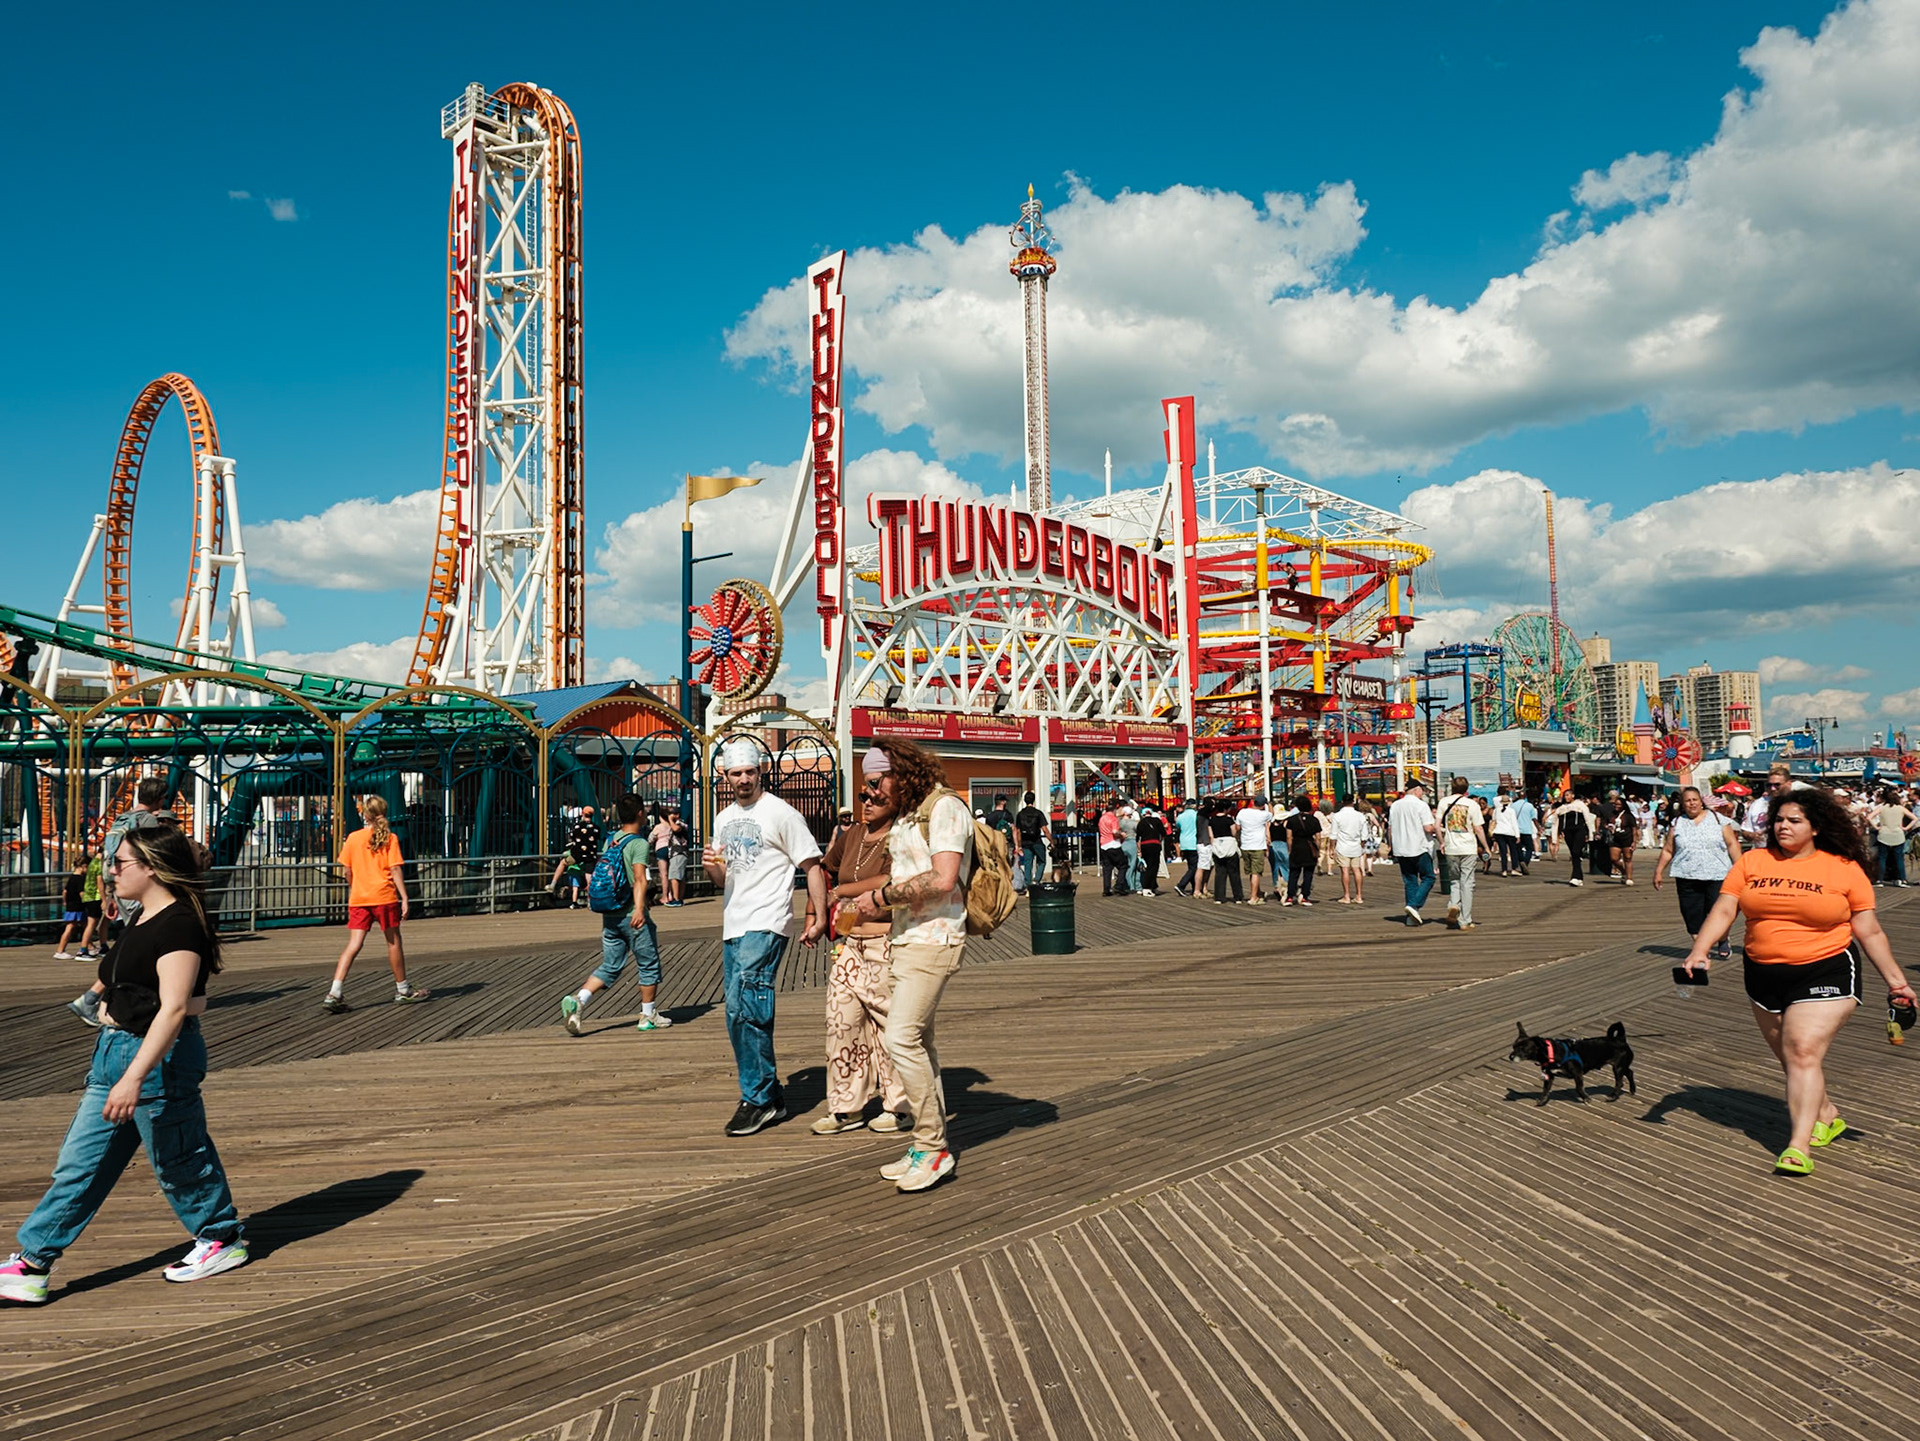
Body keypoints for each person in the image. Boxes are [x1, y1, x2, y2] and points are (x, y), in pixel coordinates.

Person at [1, 826, 247, 1305]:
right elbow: (129, 980)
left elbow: (176, 1008)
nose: (110, 871)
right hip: (115, 1053)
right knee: (80, 1165)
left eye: (120, 864)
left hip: (155, 1059)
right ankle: (32, 1264)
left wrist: (134, 1076)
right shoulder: (143, 917)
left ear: (151, 867)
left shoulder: (179, 924)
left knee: (179, 1158)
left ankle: (221, 1238)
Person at [1683, 787, 1916, 1176]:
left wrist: (1897, 983)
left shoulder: (1842, 868)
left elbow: (1869, 930)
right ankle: (1827, 1112)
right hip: (1762, 972)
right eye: (1778, 820)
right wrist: (1700, 950)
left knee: (1802, 1049)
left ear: (1816, 828)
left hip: (1827, 968)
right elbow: (1726, 906)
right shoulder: (1753, 862)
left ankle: (1797, 1145)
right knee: (1792, 1059)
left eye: (1794, 821)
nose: (1783, 827)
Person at [853, 738, 974, 1193]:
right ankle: (927, 1144)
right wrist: (865, 897)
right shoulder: (912, 812)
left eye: (875, 783)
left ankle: (933, 1147)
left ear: (899, 772)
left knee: (901, 1037)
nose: (870, 795)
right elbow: (905, 874)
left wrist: (882, 897)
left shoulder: (944, 808)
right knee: (919, 1041)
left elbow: (943, 879)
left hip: (934, 938)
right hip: (905, 937)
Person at [703, 740, 829, 1137]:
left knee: (749, 1003)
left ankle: (759, 1098)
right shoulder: (722, 818)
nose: (743, 780)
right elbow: (725, 880)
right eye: (736, 774)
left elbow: (811, 864)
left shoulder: (781, 813)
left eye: (749, 773)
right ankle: (767, 1093)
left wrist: (819, 914)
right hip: (734, 921)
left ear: (761, 773)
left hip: (768, 919)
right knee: (735, 1009)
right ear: (725, 777)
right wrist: (711, 868)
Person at [808, 780, 910, 1136]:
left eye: (874, 798)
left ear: (895, 800)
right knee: (842, 1023)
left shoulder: (901, 835)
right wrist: (816, 916)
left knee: (889, 1026)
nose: (866, 803)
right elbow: (823, 868)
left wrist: (841, 891)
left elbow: (893, 878)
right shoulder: (852, 835)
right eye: (863, 797)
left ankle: (900, 1105)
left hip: (887, 941)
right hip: (850, 942)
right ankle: (846, 1107)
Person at [559, 794, 670, 1035]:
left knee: (610, 965)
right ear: (641, 814)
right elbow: (639, 879)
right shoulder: (639, 843)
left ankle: (579, 1000)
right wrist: (640, 908)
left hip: (609, 914)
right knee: (649, 964)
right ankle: (647, 1015)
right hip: (632, 914)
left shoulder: (611, 840)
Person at [68, 779, 174, 1027]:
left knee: (132, 940)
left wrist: (111, 894)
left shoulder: (121, 819)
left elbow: (110, 859)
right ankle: (98, 998)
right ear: (159, 797)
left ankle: (102, 996)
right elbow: (153, 858)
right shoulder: (147, 822)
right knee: (138, 944)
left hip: (121, 887)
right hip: (143, 889)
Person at [324, 796, 428, 1012]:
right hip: (384, 896)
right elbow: (395, 869)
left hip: (359, 899)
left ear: (365, 815)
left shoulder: (353, 838)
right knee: (393, 942)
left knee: (354, 944)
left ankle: (334, 991)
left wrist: (356, 888)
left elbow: (347, 871)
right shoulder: (390, 838)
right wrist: (405, 897)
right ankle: (402, 989)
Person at [1654, 786, 1739, 959]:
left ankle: (1722, 939)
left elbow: (1732, 844)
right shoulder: (1677, 823)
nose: (1692, 803)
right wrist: (1658, 871)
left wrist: (1741, 868)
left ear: (1701, 802)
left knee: (1718, 912)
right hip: (1687, 875)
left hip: (1718, 874)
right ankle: (1701, 950)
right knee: (1692, 915)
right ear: (1683, 804)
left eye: (1695, 799)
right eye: (1688, 800)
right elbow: (1668, 850)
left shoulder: (1718, 819)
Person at [1436, 778, 1488, 929]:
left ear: (1452, 787)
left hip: (1451, 847)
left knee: (1454, 880)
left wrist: (1442, 842)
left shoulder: (1443, 802)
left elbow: (1436, 825)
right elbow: (1478, 828)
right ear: (1466, 789)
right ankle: (1465, 919)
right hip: (1468, 848)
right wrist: (1486, 846)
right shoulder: (1472, 804)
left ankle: (1453, 904)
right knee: (1467, 882)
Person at [1388, 780, 1438, 925]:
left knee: (1410, 881)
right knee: (1428, 877)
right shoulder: (1421, 805)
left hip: (1400, 848)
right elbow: (1428, 828)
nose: (1422, 792)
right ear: (1416, 790)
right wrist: (1438, 829)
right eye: (1421, 790)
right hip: (1418, 847)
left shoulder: (1395, 805)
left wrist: (1392, 846)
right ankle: (1414, 905)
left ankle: (1411, 918)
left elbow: (1390, 828)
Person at [551, 805, 601, 908]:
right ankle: (590, 901)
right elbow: (598, 838)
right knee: (589, 876)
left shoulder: (577, 826)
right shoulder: (596, 828)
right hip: (590, 854)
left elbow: (572, 837)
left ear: (582, 814)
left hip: (577, 853)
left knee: (563, 863)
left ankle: (553, 883)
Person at [1326, 797, 1370, 904]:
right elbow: (1365, 835)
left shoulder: (1337, 816)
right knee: (1357, 870)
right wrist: (1361, 845)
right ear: (1353, 802)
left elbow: (1333, 834)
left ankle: (1346, 896)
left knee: (1345, 870)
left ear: (1342, 802)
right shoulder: (1360, 816)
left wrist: (1331, 848)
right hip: (1356, 846)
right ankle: (1359, 896)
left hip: (1342, 846)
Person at [1872, 788, 1916, 886]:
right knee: (1899, 858)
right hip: (1898, 834)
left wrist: (1877, 827)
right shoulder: (1901, 808)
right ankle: (1902, 879)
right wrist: (1905, 828)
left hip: (1884, 834)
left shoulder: (1882, 808)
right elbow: (1915, 818)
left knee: (1882, 858)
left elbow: (1869, 817)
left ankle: (1880, 880)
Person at [1235, 794, 1275, 903]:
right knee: (1256, 872)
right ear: (1263, 805)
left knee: (1251, 872)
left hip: (1245, 845)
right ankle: (1253, 897)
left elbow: (1238, 827)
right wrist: (1270, 804)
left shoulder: (1242, 812)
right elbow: (1272, 814)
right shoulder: (1263, 815)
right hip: (1257, 845)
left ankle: (1257, 892)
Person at [1281, 796, 1320, 906]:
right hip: (1309, 847)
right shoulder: (1314, 820)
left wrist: (1290, 849)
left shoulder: (1292, 820)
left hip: (1296, 847)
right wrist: (1317, 850)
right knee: (1308, 873)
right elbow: (1318, 837)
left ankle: (1289, 897)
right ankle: (1305, 896)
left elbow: (1289, 837)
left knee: (1294, 873)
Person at [1551, 793, 1594, 886]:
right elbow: (1555, 822)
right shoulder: (1562, 808)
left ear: (1573, 796)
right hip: (1568, 832)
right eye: (1565, 796)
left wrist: (1590, 834)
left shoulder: (1580, 805)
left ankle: (1575, 876)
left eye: (1568, 795)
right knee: (1574, 855)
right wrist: (1555, 836)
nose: (1566, 797)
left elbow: (1588, 819)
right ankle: (1578, 877)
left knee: (1576, 851)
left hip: (1579, 830)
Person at [1209, 802, 1245, 904]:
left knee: (1220, 872)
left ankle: (1219, 897)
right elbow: (1234, 832)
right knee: (1234, 873)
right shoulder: (1229, 819)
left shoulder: (1212, 820)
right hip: (1229, 846)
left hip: (1217, 846)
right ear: (1226, 809)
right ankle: (1237, 897)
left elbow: (1211, 835)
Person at [53, 862, 88, 960]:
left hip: (71, 905)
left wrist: (65, 902)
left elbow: (65, 892)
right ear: (83, 866)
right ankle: (60, 950)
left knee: (85, 925)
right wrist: (87, 902)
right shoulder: (80, 879)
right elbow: (81, 893)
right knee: (71, 927)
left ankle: (89, 947)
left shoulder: (72, 877)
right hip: (77, 906)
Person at [1014, 791, 1050, 886]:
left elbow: (1018, 831)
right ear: (1033, 801)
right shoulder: (1038, 813)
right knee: (1042, 861)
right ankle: (1036, 880)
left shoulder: (1020, 814)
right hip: (1037, 841)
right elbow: (1045, 829)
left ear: (1025, 801)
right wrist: (1052, 841)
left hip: (1025, 842)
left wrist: (1019, 845)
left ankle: (1028, 885)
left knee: (1027, 864)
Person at [1097, 801, 1129, 896]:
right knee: (1123, 865)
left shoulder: (1102, 819)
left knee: (1107, 868)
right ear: (1114, 810)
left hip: (1103, 844)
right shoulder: (1113, 819)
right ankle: (1119, 886)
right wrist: (1122, 835)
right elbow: (1115, 831)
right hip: (1113, 844)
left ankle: (1106, 890)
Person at [1607, 791, 1639, 885]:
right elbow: (1605, 823)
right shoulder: (1611, 814)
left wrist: (1634, 841)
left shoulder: (1628, 816)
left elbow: (1634, 828)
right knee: (1614, 858)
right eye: (1615, 804)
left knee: (1628, 858)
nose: (1616, 806)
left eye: (1619, 805)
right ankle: (1623, 871)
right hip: (1615, 839)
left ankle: (1629, 877)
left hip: (1627, 838)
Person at [1136, 803, 1166, 897]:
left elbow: (1138, 838)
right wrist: (1159, 840)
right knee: (1154, 866)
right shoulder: (1157, 821)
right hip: (1155, 845)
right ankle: (1148, 887)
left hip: (1145, 846)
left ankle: (1151, 886)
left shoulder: (1141, 823)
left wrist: (1139, 850)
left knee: (1148, 866)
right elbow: (1163, 833)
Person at [1490, 791, 1522, 876]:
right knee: (1513, 851)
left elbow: (1493, 821)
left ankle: (1504, 870)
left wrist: (1492, 832)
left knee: (1503, 852)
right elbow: (1514, 823)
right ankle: (1514, 868)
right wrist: (1517, 835)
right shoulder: (1511, 811)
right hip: (1509, 832)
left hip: (1499, 832)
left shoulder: (1496, 811)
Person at [649, 806, 675, 907]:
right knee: (670, 873)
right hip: (671, 849)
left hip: (661, 849)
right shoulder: (671, 826)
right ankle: (671, 894)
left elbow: (651, 838)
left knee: (663, 874)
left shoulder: (658, 827)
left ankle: (664, 896)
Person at [1173, 798, 1200, 896]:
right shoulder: (1196, 815)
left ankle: (1194, 888)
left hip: (1184, 843)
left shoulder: (1181, 816)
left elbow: (1178, 826)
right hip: (1193, 842)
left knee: (1191, 866)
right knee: (1195, 867)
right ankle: (1181, 885)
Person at [665, 812, 691, 905]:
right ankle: (679, 897)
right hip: (676, 853)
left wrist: (670, 820)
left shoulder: (680, 824)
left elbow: (676, 829)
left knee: (674, 876)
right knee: (680, 876)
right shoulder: (676, 824)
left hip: (678, 852)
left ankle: (676, 899)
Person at [1510, 792, 1538, 874]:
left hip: (1516, 831)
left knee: (1518, 849)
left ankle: (1521, 860)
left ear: (1518, 796)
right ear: (1525, 796)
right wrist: (1539, 828)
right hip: (1527, 830)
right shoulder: (1529, 806)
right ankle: (1525, 862)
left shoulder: (1513, 805)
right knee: (1529, 848)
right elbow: (1534, 819)